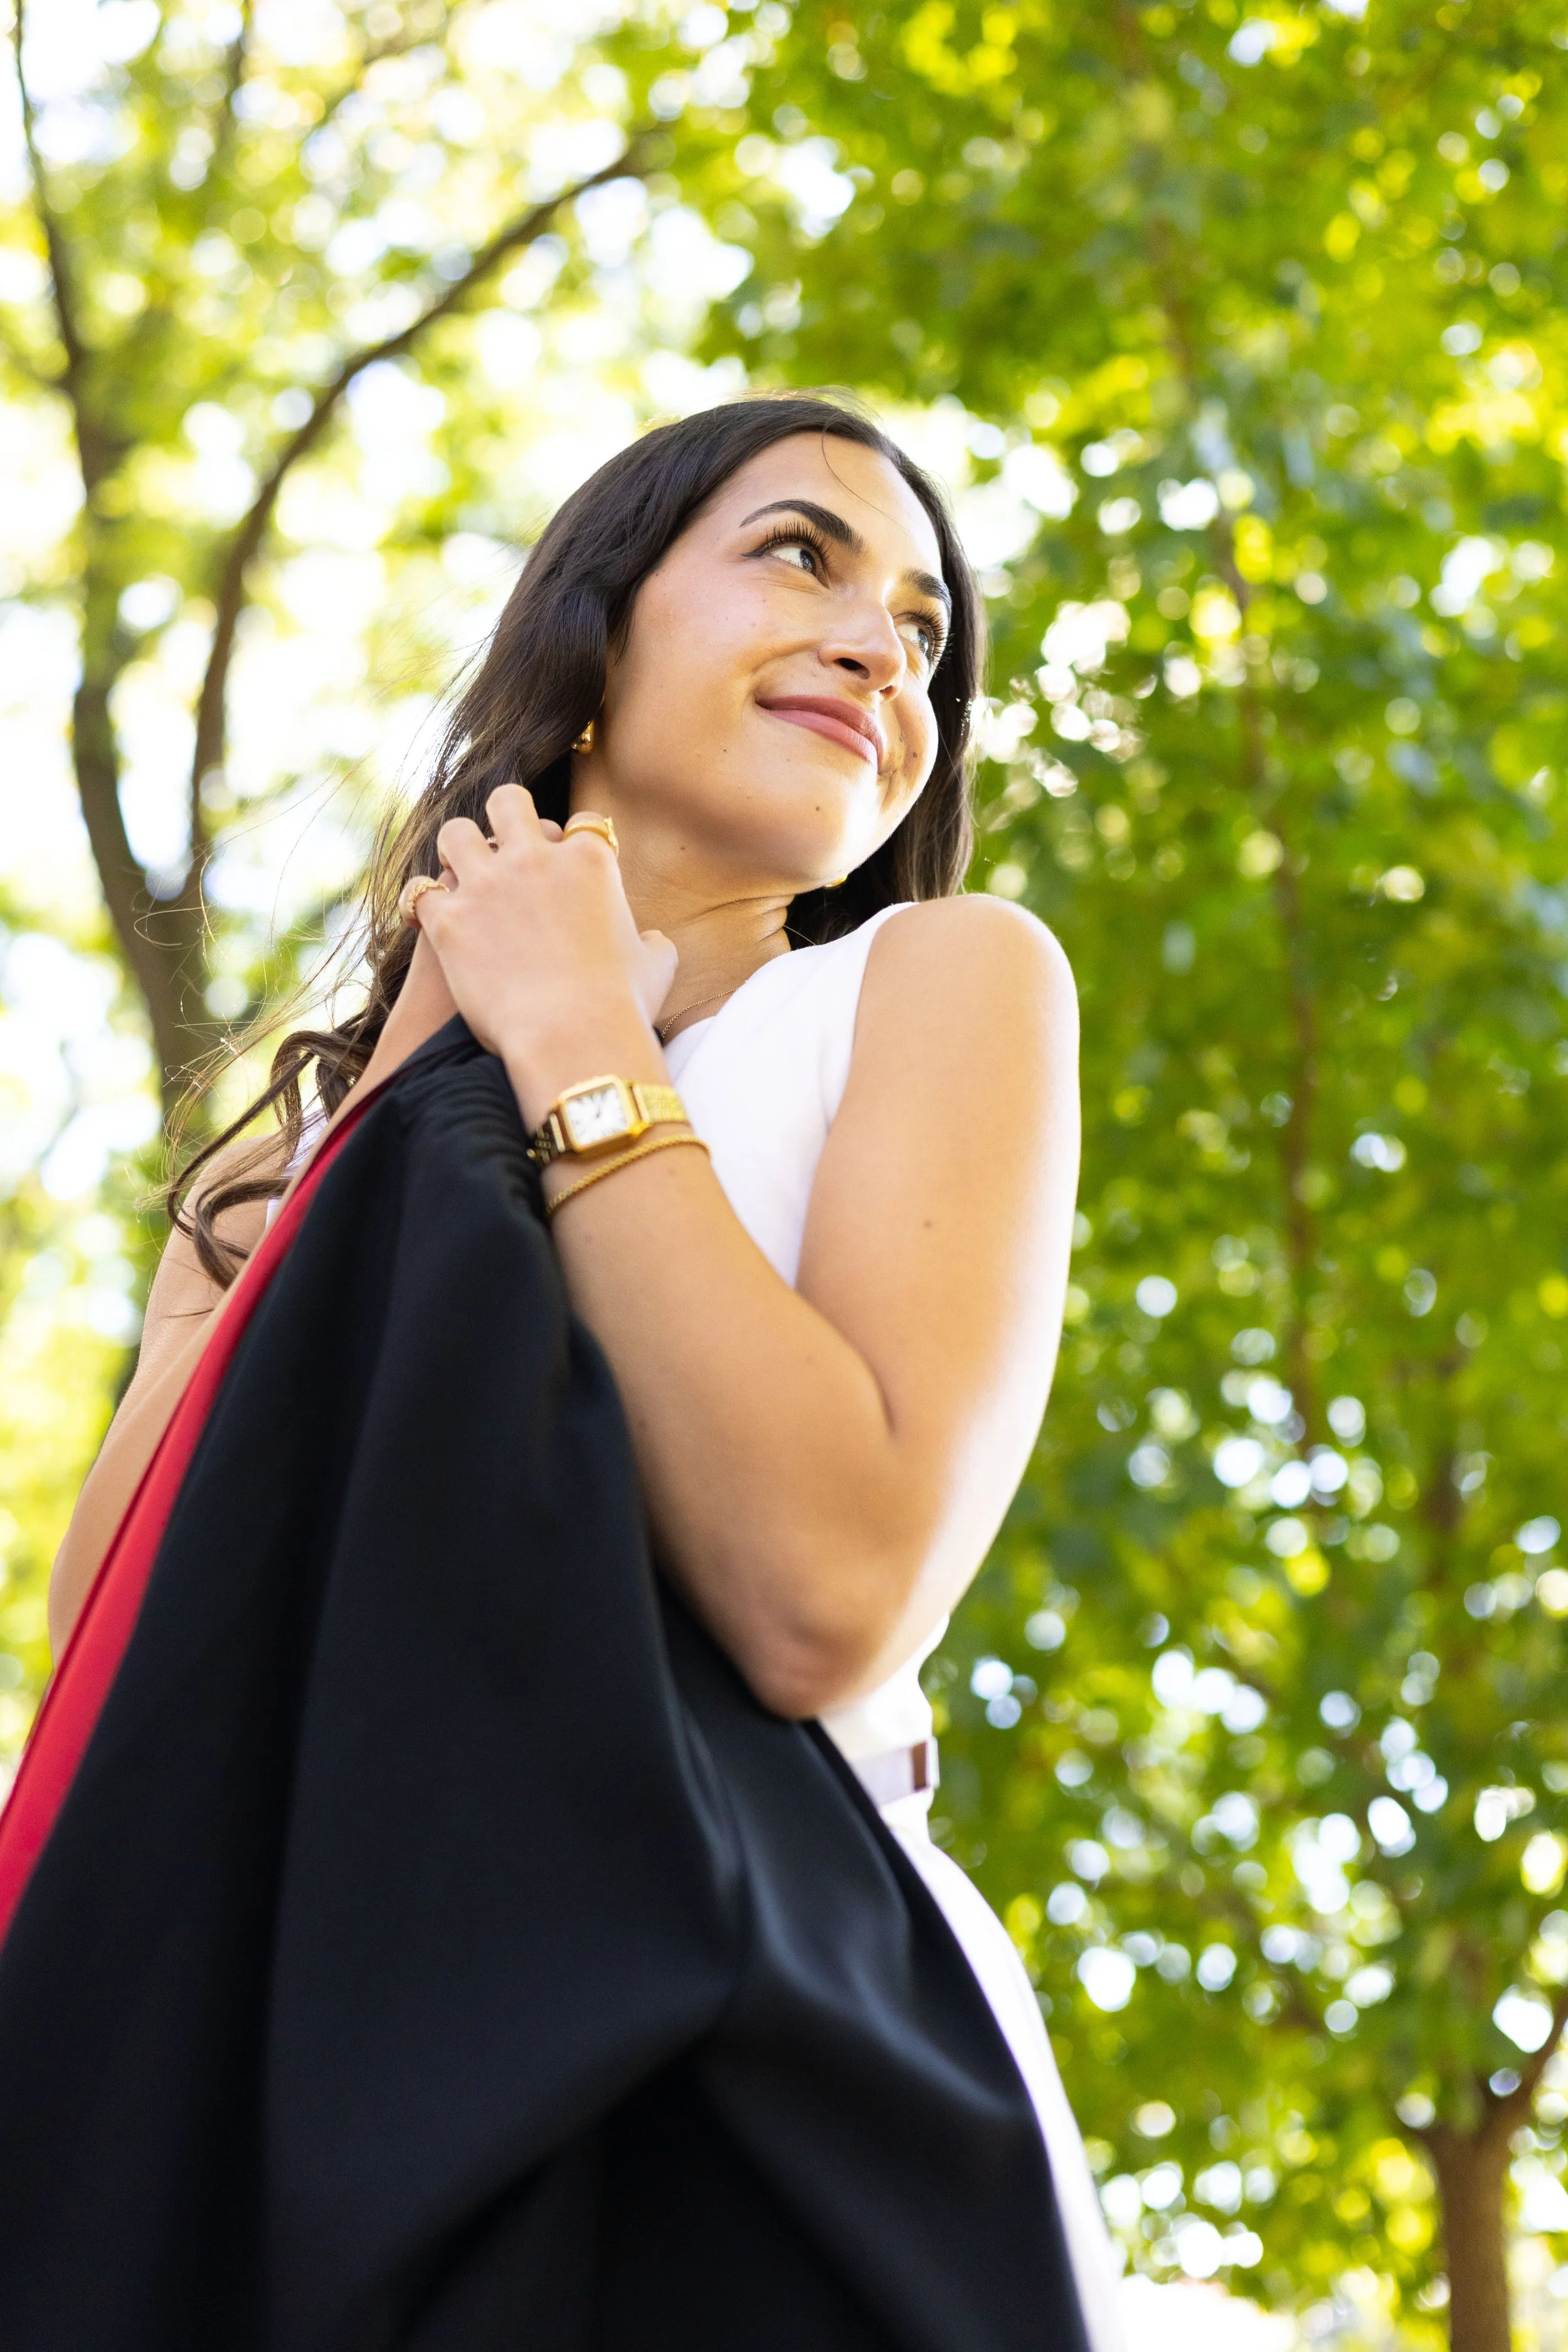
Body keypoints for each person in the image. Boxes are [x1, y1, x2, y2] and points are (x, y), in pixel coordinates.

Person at [41, 392, 1119, 2344]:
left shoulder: (934, 984)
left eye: (925, 629)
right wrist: (399, 1090)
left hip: (742, 2071)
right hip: (302, 2047)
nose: (883, 640)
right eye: (800, 554)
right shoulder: (278, 1164)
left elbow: (828, 1598)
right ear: (597, 634)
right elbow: (135, 1641)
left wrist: (574, 1045)